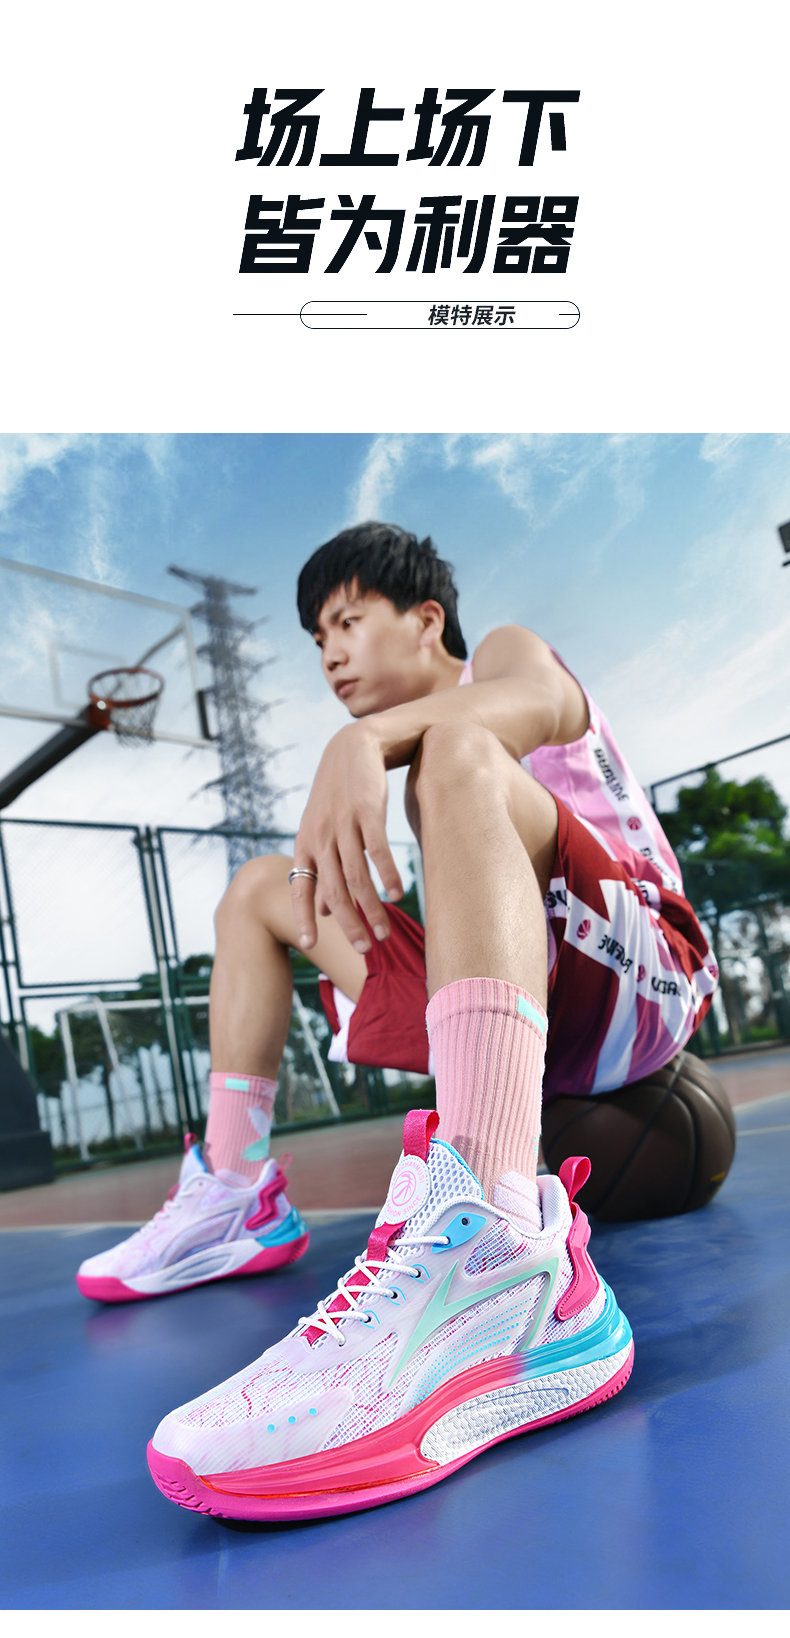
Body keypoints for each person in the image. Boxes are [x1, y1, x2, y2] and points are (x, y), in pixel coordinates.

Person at [79, 522, 719, 1519]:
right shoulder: (432, 776)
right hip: (534, 999)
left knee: (456, 749)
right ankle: (236, 1194)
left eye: (348, 621)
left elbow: (535, 702)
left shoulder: (500, 657)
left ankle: (494, 1252)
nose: (329, 654)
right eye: (316, 639)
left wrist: (363, 741)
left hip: (644, 968)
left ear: (425, 620)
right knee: (262, 889)